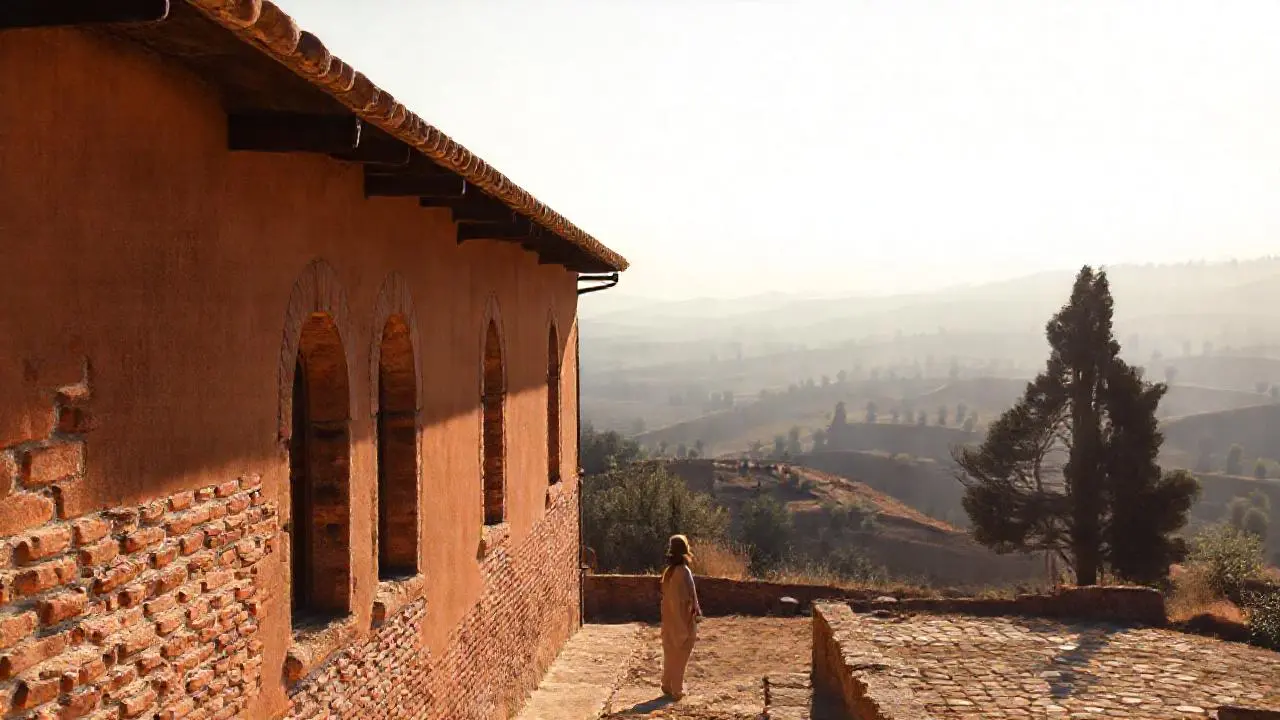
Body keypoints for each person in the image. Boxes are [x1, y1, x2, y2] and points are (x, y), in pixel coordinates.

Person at [660, 534, 702, 700]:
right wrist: (693, 616)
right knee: (681, 655)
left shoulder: (668, 572)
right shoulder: (683, 572)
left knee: (670, 653)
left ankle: (667, 683)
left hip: (669, 620)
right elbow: (688, 597)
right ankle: (677, 688)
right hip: (682, 619)